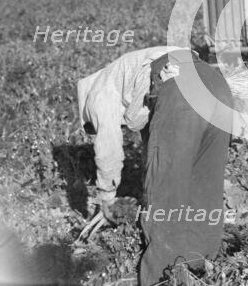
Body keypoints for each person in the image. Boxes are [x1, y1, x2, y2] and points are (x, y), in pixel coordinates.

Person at [138, 48, 233, 285]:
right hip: (219, 87)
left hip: (180, 89)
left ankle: (161, 277)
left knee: (165, 188)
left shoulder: (106, 89)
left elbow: (141, 129)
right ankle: (202, 264)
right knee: (206, 179)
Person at [77, 46, 181, 213]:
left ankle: (167, 209)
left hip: (167, 72)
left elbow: (109, 149)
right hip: (186, 63)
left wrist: (107, 196)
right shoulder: (119, 79)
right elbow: (148, 130)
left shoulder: (99, 97)